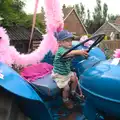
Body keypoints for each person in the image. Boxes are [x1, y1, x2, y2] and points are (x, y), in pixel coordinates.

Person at [52, 30, 88, 109]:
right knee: (66, 88)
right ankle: (65, 100)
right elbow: (68, 54)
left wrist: (81, 54)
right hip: (59, 74)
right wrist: (79, 52)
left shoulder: (69, 50)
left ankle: (73, 92)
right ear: (60, 43)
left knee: (75, 79)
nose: (70, 42)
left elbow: (72, 55)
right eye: (67, 41)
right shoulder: (61, 50)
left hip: (67, 72)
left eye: (71, 40)